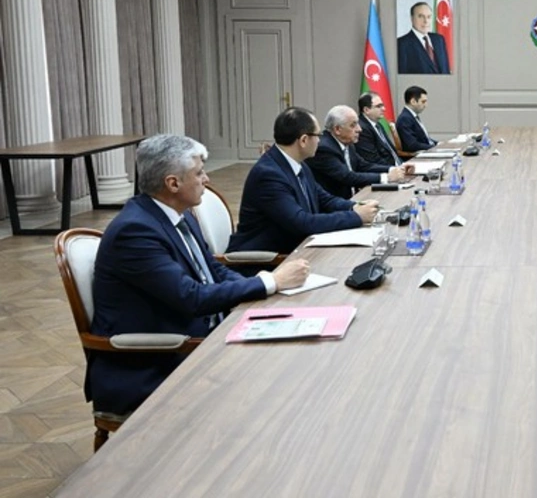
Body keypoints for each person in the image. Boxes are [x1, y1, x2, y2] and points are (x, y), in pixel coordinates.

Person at [90, 134, 310, 415]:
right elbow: (191, 297)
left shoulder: (177, 214)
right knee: (276, 390)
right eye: (199, 173)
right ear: (173, 183)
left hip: (203, 336)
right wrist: (270, 282)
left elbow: (213, 269)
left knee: (292, 364)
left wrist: (257, 290)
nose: (206, 179)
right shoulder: (135, 232)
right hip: (157, 364)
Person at [229, 107, 379, 254]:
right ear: (304, 140)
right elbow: (302, 223)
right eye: (318, 135)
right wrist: (356, 216)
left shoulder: (298, 164)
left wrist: (355, 206)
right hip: (267, 259)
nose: (320, 141)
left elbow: (324, 199)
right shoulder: (269, 175)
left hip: (297, 249)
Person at [309, 105, 411, 199]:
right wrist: (387, 177)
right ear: (337, 129)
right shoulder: (324, 149)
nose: (359, 129)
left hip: (354, 197)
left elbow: (364, 166)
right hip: (336, 204)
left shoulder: (347, 143)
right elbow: (348, 177)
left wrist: (396, 169)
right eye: (353, 125)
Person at [397, 1, 450, 74]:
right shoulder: (402, 44)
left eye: (429, 17)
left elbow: (446, 70)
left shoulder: (439, 40)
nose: (426, 21)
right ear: (412, 18)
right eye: (421, 16)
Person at [355, 92, 403, 167]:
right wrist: (395, 169)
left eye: (383, 105)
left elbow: (391, 151)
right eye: (379, 106)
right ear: (366, 110)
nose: (384, 109)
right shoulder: (362, 129)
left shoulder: (378, 124)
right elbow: (372, 159)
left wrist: (402, 165)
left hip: (397, 165)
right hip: (385, 170)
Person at [396, 85, 437, 153]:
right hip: (417, 156)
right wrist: (434, 147)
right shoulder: (405, 119)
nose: (426, 105)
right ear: (413, 102)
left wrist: (439, 144)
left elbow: (425, 139)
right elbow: (412, 145)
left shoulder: (411, 116)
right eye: (423, 102)